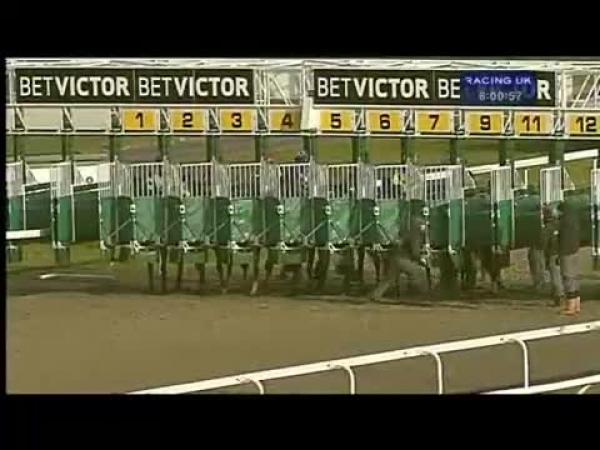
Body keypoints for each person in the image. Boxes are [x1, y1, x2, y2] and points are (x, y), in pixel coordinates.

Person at [370, 215, 428, 301]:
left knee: (389, 278)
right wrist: (422, 259)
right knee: (419, 272)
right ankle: (419, 294)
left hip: (396, 258)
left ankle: (376, 294)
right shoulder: (416, 235)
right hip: (403, 260)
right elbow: (415, 252)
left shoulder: (409, 233)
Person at [557, 200, 581, 315]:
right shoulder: (574, 222)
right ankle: (577, 304)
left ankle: (570, 306)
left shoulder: (563, 223)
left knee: (568, 278)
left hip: (566, 253)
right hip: (575, 251)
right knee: (575, 277)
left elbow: (561, 240)